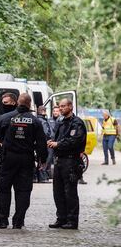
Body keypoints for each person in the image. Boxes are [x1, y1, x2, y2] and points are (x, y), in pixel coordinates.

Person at [0, 93, 47, 229]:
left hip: (9, 158)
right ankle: (19, 220)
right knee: (24, 190)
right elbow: (42, 142)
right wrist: (42, 159)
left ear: (18, 102)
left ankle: (1, 219)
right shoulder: (35, 121)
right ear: (30, 104)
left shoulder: (5, 118)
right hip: (26, 158)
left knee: (3, 189)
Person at [47, 98, 87, 230]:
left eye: (63, 106)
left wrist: (58, 144)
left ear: (71, 106)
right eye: (60, 106)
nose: (61, 108)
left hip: (71, 161)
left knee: (70, 192)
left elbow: (74, 141)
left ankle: (72, 220)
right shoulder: (61, 122)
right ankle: (61, 218)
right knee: (57, 192)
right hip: (59, 160)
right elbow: (57, 138)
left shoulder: (77, 123)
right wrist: (52, 142)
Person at [0, 92, 18, 175]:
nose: (3, 105)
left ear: (14, 103)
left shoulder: (19, 116)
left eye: (6, 103)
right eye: (2, 103)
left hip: (15, 155)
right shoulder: (2, 117)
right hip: (3, 155)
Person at [36, 106, 52, 183]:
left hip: (39, 143)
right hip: (45, 142)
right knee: (44, 160)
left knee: (39, 159)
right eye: (44, 111)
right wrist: (50, 138)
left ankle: (40, 177)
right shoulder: (42, 121)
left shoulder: (37, 119)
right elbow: (46, 132)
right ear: (43, 112)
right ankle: (42, 177)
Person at [46, 106, 61, 178]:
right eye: (54, 111)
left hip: (59, 142)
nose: (55, 112)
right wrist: (48, 139)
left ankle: (57, 174)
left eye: (57, 111)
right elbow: (47, 131)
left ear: (59, 112)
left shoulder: (62, 120)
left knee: (58, 159)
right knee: (49, 158)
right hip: (51, 142)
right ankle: (47, 174)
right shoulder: (49, 120)